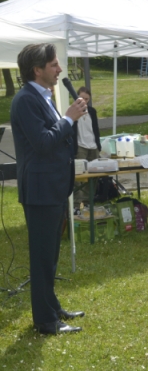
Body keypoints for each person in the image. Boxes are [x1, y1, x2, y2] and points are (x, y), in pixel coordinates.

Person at [11, 43, 87, 335]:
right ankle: (45, 321)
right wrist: (68, 118)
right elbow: (43, 143)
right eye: (54, 64)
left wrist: (70, 120)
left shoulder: (43, 96)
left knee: (51, 255)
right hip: (40, 190)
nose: (59, 69)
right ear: (37, 69)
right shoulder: (25, 100)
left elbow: (59, 140)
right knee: (42, 257)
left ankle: (52, 307)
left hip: (53, 187)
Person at [73, 87, 101, 161]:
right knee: (81, 167)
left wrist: (98, 145)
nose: (84, 101)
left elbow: (96, 128)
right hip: (80, 146)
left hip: (93, 146)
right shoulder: (72, 111)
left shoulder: (92, 111)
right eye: (82, 98)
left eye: (86, 99)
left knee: (95, 167)